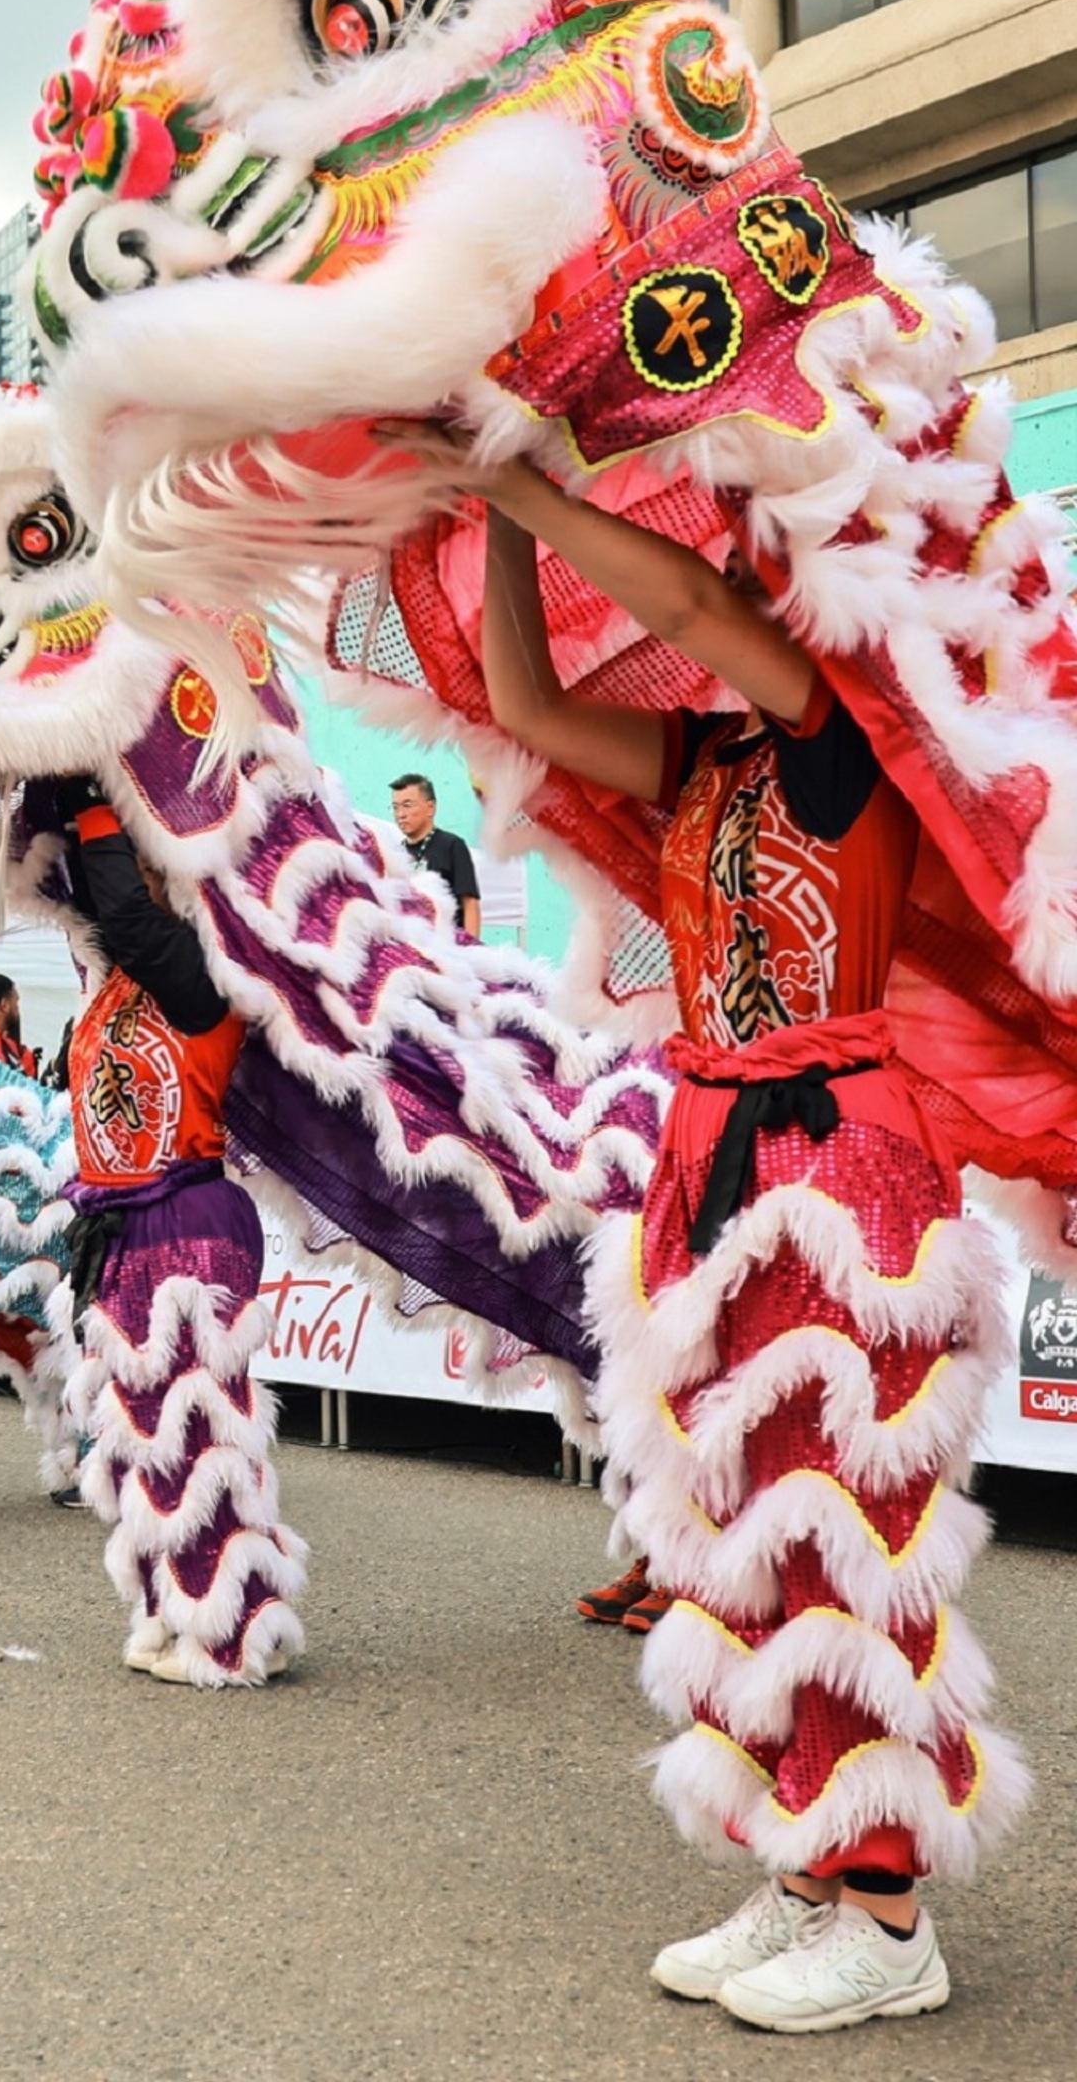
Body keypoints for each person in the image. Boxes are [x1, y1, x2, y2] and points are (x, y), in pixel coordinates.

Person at [385, 427, 1016, 2033]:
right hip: (710, 1154)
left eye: (741, 560)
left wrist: (528, 483)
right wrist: (495, 527)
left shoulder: (835, 724)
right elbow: (524, 712)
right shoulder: (707, 763)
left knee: (840, 1527)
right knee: (740, 1530)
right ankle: (808, 1863)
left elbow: (687, 598)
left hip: (840, 1164)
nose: (704, 591)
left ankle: (886, 1922)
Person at [57, 779, 305, 1686]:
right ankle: (169, 1605)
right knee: (137, 1437)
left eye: (154, 860)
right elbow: (97, 905)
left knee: (198, 1438)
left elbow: (120, 908)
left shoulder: (205, 977)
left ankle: (230, 1634)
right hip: (124, 1229)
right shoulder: (116, 978)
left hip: (189, 1230)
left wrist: (91, 798)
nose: (134, 877)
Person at [388, 774, 481, 933]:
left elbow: (470, 903)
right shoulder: (395, 854)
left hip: (448, 945)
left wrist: (472, 951)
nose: (400, 814)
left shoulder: (452, 846)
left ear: (431, 807)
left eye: (407, 805)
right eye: (396, 807)